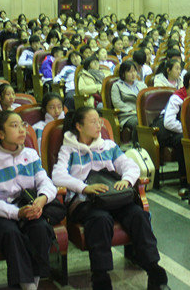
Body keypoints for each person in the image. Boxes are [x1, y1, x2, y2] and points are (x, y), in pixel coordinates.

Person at [52, 107, 169, 290]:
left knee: (138, 215)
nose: (99, 125)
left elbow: (130, 166)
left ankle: (154, 272)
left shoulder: (108, 146)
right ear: (79, 126)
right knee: (100, 219)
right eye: (93, 122)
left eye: (99, 121)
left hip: (113, 197)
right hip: (86, 201)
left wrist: (126, 180)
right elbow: (58, 176)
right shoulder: (68, 149)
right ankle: (101, 278)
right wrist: (84, 187)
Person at [0, 111, 59, 290]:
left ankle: (32, 283)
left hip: (29, 207)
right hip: (0, 214)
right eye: (14, 126)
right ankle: (28, 286)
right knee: (11, 234)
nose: (22, 130)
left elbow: (45, 182)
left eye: (22, 124)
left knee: (40, 228)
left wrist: (42, 199)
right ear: (0, 133)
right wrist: (17, 213)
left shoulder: (31, 154)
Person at [158, 69, 190, 197]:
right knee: (183, 141)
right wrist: (188, 130)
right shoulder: (177, 97)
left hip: (183, 130)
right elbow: (168, 122)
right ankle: (184, 181)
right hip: (168, 132)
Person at [110, 60, 147, 135]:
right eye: (130, 72)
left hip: (142, 113)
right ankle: (136, 142)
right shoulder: (117, 86)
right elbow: (117, 103)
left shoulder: (142, 85)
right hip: (127, 115)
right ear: (123, 74)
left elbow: (147, 100)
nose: (133, 74)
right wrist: (132, 110)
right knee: (138, 122)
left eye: (134, 71)